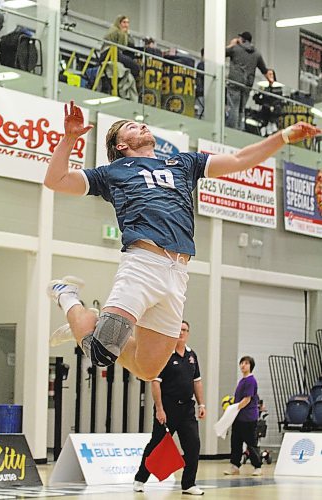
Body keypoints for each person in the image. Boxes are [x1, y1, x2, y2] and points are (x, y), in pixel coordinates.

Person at [44, 100, 320, 382]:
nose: (140, 124)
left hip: (178, 273)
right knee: (101, 352)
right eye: (130, 127)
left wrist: (284, 136)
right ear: (121, 145)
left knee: (148, 370)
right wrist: (69, 139)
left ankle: (88, 325)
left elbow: (240, 160)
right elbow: (56, 180)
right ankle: (67, 296)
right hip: (143, 265)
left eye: (139, 123)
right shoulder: (113, 171)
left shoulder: (183, 163)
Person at [133, 320, 206, 496]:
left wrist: (201, 404)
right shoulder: (164, 354)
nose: (181, 333)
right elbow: (155, 383)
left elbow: (197, 382)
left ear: (188, 333)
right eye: (179, 330)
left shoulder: (192, 355)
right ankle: (140, 479)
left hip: (187, 408)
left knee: (193, 445)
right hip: (167, 408)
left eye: (185, 330)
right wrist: (159, 409)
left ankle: (188, 484)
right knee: (156, 444)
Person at [225, 31, 274, 130]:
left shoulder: (235, 49)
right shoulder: (257, 54)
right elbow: (265, 70)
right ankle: (240, 129)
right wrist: (271, 81)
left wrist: (231, 44)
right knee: (241, 109)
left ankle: (232, 130)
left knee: (233, 106)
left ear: (242, 40)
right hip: (247, 84)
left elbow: (220, 53)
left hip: (235, 82)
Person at [224, 356, 262, 476]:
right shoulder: (242, 380)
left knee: (251, 443)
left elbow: (247, 399)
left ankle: (257, 466)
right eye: (241, 363)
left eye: (246, 363)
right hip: (238, 417)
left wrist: (234, 408)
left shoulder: (251, 380)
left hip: (248, 418)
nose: (243, 365)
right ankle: (235, 465)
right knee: (236, 442)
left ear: (251, 366)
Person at [102, 14, 139, 81]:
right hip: (109, 53)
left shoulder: (118, 31)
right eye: (124, 22)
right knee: (135, 67)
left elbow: (131, 43)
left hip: (113, 53)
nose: (126, 25)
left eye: (127, 23)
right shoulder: (116, 31)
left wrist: (127, 34)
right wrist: (124, 34)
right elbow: (122, 46)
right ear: (119, 23)